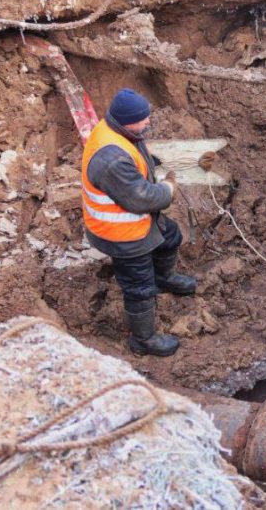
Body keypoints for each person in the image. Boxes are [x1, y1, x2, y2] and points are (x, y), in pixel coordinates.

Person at [80, 88, 196, 357]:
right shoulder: (111, 159)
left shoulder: (120, 131)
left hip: (137, 222)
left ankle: (164, 277)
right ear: (126, 121)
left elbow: (136, 157)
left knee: (172, 236)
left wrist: (158, 162)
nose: (148, 122)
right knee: (139, 287)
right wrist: (168, 188)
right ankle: (143, 340)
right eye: (143, 119)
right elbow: (142, 198)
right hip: (121, 234)